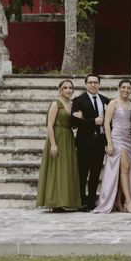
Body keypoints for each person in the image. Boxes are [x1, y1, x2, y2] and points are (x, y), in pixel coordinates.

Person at [93, 79, 131, 214]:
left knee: (123, 171)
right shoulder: (113, 103)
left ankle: (118, 200)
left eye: (128, 88)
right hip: (117, 138)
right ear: (119, 88)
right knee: (125, 167)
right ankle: (128, 202)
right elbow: (106, 123)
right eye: (123, 87)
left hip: (129, 139)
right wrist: (109, 143)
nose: (125, 90)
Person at [36, 79, 82, 211]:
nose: (68, 90)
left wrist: (79, 117)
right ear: (60, 89)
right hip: (57, 137)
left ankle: (66, 200)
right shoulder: (56, 104)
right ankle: (54, 201)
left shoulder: (72, 105)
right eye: (65, 87)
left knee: (66, 169)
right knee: (56, 169)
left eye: (70, 88)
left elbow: (73, 125)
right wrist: (53, 144)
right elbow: (49, 124)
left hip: (68, 137)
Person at [71, 73, 110, 211]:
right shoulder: (78, 100)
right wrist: (93, 121)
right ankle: (82, 201)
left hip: (99, 142)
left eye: (96, 82)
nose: (93, 85)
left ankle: (92, 201)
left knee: (95, 174)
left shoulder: (106, 100)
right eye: (90, 82)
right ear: (86, 84)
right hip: (84, 142)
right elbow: (74, 122)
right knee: (82, 174)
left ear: (99, 84)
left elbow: (110, 121)